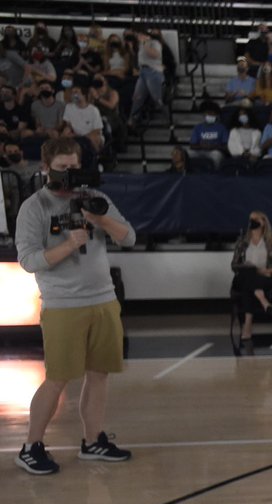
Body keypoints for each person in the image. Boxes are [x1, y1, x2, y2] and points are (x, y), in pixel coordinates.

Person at [13, 137, 137, 475]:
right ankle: (31, 446)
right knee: (58, 378)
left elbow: (129, 237)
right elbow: (28, 260)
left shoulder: (95, 199)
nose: (70, 173)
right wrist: (69, 244)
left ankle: (92, 440)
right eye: (62, 167)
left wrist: (101, 221)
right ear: (45, 168)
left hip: (104, 300)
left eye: (74, 167)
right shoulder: (34, 207)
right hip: (63, 304)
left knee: (99, 375)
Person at [230, 210, 272, 343]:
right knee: (248, 272)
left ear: (263, 222)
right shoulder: (242, 241)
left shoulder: (271, 241)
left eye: (256, 219)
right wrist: (247, 267)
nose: (252, 222)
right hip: (243, 277)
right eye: (251, 219)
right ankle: (262, 298)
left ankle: (247, 324)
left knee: (249, 285)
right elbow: (234, 265)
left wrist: (266, 271)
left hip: (264, 277)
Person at [128, 27, 165, 125]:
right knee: (137, 97)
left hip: (153, 71)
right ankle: (132, 119)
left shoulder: (154, 43)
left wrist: (144, 43)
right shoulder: (140, 46)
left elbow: (155, 55)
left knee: (156, 97)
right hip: (143, 72)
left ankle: (165, 116)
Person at [188, 101, 229, 168]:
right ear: (204, 114)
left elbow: (226, 147)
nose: (209, 115)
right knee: (188, 153)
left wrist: (213, 146)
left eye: (212, 113)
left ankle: (216, 173)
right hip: (200, 150)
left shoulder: (222, 128)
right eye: (207, 113)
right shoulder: (198, 127)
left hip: (214, 151)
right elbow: (192, 145)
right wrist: (202, 146)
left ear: (216, 115)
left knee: (216, 155)